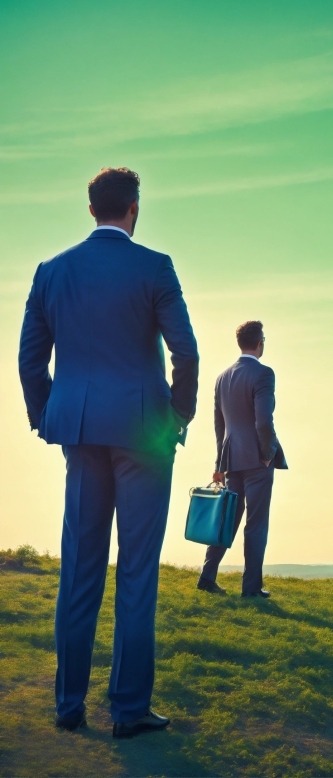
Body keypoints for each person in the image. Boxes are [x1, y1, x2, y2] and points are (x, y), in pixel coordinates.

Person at [18, 167, 199, 738]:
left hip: (81, 434)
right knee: (137, 573)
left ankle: (68, 706)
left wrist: (48, 415)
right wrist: (179, 415)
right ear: (134, 209)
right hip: (144, 436)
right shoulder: (155, 267)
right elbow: (186, 354)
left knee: (79, 568)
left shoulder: (52, 272)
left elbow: (29, 359)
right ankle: (128, 710)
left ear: (91, 208)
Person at [197, 321, 287, 598]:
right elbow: (263, 421)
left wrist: (218, 466)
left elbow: (219, 426)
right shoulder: (263, 374)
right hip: (258, 460)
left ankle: (207, 577)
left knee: (226, 521)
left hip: (231, 459)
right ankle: (251, 589)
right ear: (260, 342)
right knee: (256, 524)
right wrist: (268, 453)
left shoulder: (222, 378)